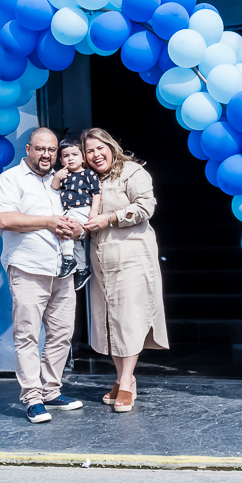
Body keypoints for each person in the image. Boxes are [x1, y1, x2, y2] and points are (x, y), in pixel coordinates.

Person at [0, 127, 86, 423]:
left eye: (52, 150)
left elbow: (78, 216)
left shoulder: (63, 181)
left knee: (61, 334)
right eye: (41, 149)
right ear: (29, 149)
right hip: (28, 267)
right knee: (28, 334)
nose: (47, 155)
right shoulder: (10, 180)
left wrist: (78, 229)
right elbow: (5, 220)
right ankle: (32, 396)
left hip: (62, 269)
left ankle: (51, 391)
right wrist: (47, 221)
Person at [82, 127, 169, 414]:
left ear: (111, 146)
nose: (95, 155)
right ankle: (122, 379)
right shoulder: (88, 179)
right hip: (101, 260)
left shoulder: (132, 172)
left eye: (99, 148)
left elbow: (146, 207)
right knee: (109, 321)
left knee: (129, 319)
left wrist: (110, 218)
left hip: (132, 256)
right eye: (89, 151)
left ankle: (127, 384)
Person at [51, 134, 101, 291]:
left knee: (65, 228)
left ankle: (68, 260)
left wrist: (93, 212)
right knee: (76, 242)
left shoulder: (88, 174)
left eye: (75, 154)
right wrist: (57, 177)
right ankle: (81, 269)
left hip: (83, 209)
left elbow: (96, 193)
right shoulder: (64, 175)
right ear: (61, 160)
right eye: (66, 156)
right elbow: (54, 188)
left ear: (83, 157)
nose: (70, 159)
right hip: (70, 210)